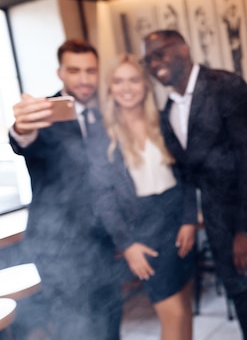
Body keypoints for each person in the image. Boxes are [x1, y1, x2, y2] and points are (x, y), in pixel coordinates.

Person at [141, 29, 247, 340]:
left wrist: (245, 231)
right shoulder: (168, 111)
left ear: (183, 48)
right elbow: (185, 174)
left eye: (160, 53)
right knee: (240, 297)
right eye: (149, 59)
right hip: (215, 218)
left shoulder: (226, 86)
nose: (155, 63)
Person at [9, 38, 122, 340]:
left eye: (90, 70)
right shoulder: (42, 115)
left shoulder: (106, 113)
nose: (84, 79)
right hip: (58, 249)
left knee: (110, 322)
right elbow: (23, 140)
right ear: (61, 73)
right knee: (76, 329)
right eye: (75, 70)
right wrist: (21, 129)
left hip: (101, 245)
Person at [88, 54, 197, 340]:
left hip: (176, 221)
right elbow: (103, 197)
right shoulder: (101, 133)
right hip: (143, 231)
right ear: (109, 88)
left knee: (185, 309)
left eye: (133, 80)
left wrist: (189, 220)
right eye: (118, 81)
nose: (126, 87)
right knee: (172, 315)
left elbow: (186, 175)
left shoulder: (163, 121)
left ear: (145, 85)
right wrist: (127, 245)